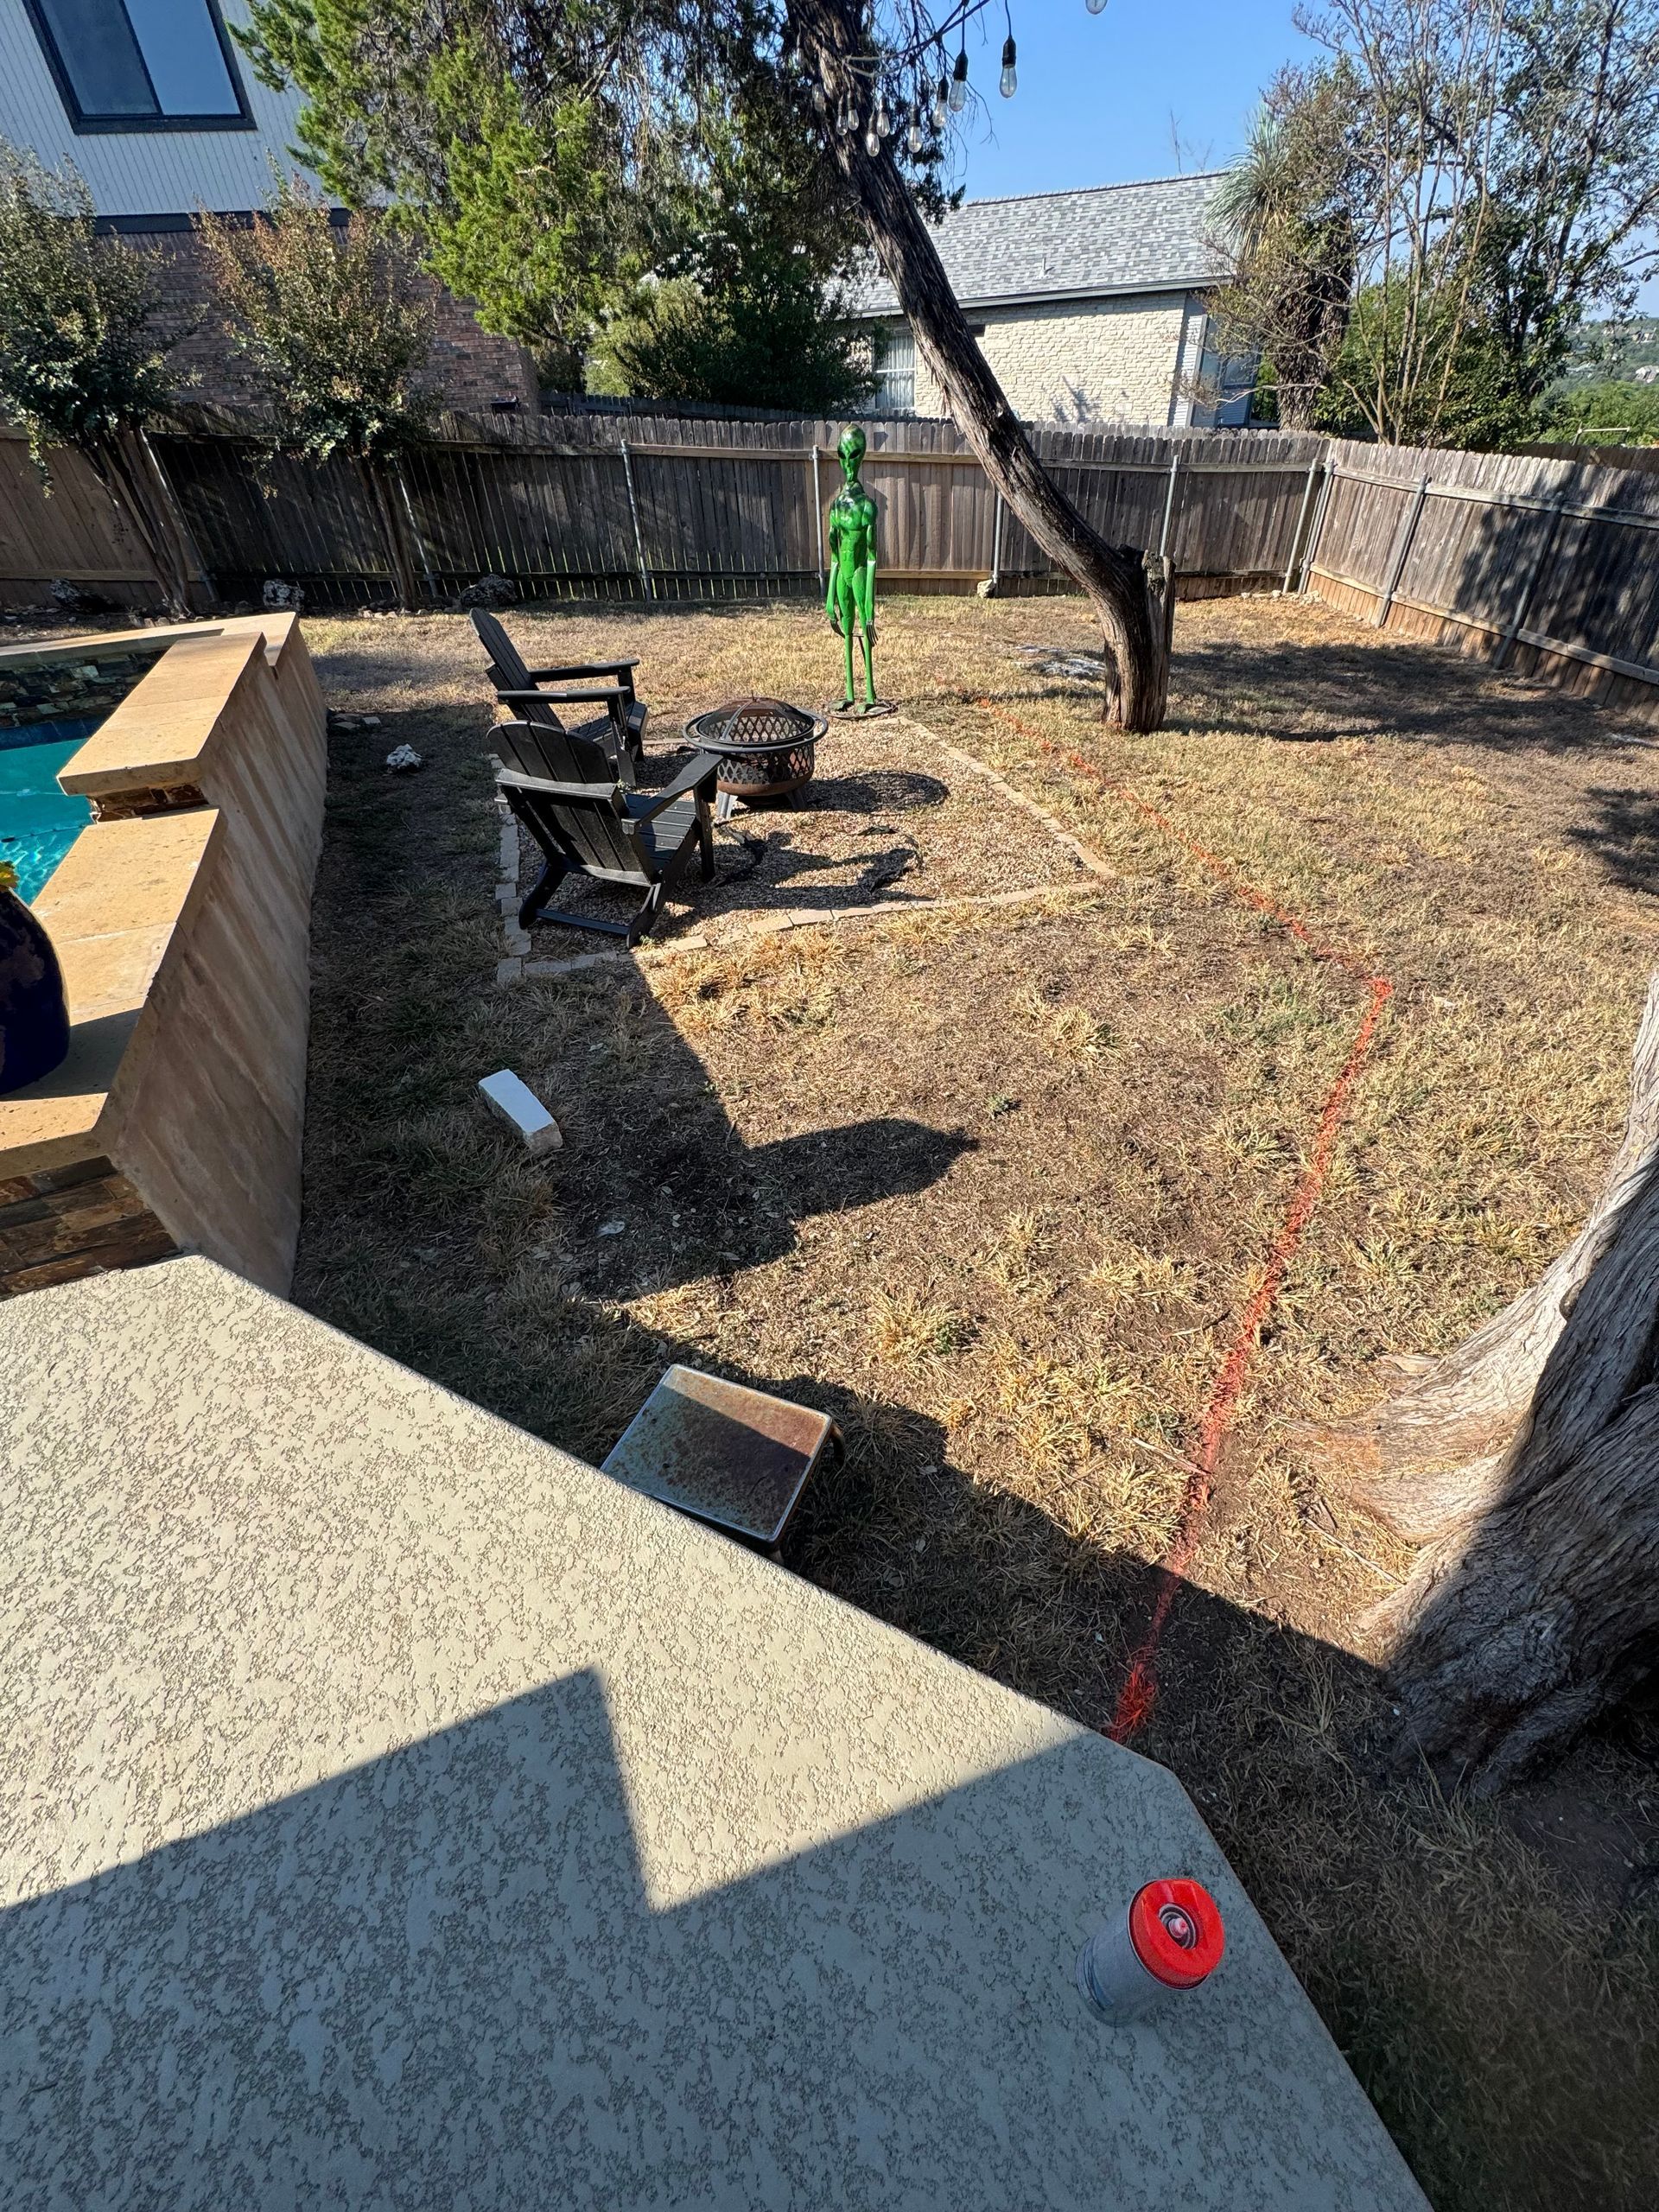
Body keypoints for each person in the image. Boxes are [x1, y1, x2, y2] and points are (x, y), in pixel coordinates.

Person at [825, 425, 881, 711]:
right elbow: (834, 556)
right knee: (847, 632)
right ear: (839, 457)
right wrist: (828, 600)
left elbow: (872, 558)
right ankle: (849, 692)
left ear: (862, 457)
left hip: (858, 572)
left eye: (854, 455)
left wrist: (870, 611)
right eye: (843, 455)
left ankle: (870, 694)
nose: (849, 462)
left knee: (862, 628)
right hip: (842, 576)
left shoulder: (868, 507)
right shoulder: (836, 507)